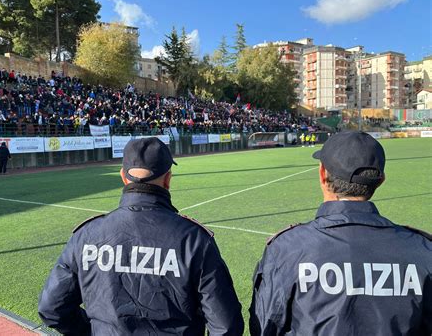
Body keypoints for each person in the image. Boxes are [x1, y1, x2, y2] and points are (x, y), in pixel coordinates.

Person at [38, 137, 244, 335]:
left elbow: (52, 308)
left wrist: (92, 331)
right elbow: (226, 325)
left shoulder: (86, 235)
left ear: (123, 177)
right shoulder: (194, 239)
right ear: (168, 179)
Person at [249, 131, 431, 335]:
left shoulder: (287, 248)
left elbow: (264, 326)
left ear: (322, 173)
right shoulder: (422, 250)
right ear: (380, 180)